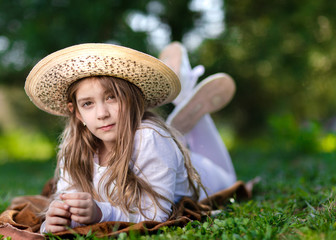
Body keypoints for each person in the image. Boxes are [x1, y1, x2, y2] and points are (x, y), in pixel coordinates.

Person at [24, 43, 236, 234]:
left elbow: (156, 215)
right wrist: (54, 220)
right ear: (77, 113)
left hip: (208, 175)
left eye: (111, 97)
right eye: (88, 103)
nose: (102, 113)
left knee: (229, 177)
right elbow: (65, 201)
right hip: (160, 155)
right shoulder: (74, 146)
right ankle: (179, 116)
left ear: (133, 99)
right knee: (166, 139)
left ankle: (185, 92)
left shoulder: (150, 139)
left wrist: (100, 213)